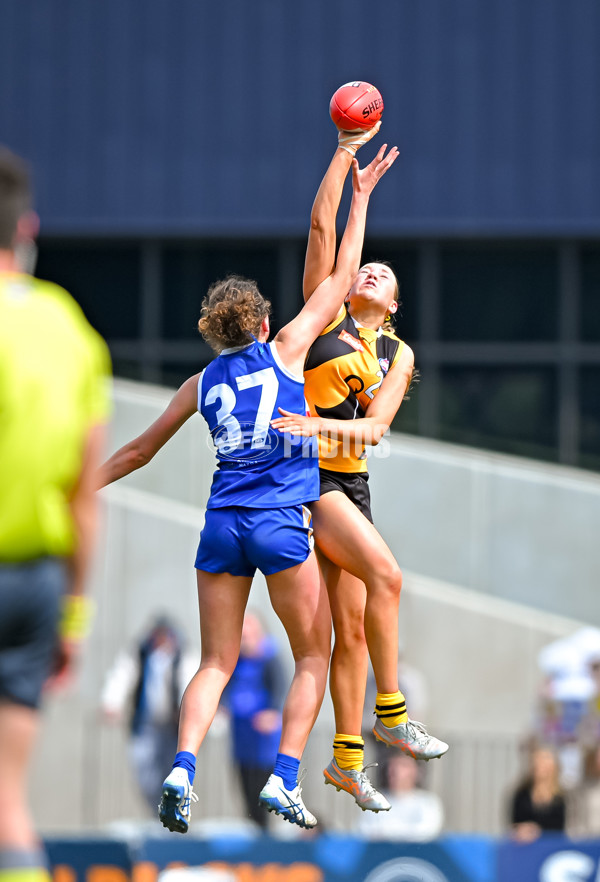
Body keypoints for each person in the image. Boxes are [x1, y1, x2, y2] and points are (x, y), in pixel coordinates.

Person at [97, 140, 399, 833]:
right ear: (263, 323)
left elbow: (139, 451)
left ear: (215, 334)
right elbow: (343, 272)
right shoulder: (287, 348)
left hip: (220, 525)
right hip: (279, 521)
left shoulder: (200, 382)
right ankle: (285, 778)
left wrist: (83, 486)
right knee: (313, 654)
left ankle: (183, 766)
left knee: (215, 662)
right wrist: (359, 191)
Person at [270, 125, 448, 813]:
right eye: (364, 269)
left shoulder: (397, 353)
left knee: (350, 633)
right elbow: (323, 227)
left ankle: (347, 763)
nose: (369, 271)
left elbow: (374, 430)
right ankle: (392, 715)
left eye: (384, 274)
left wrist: (316, 425)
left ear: (394, 304)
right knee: (389, 576)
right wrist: (351, 170)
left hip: (350, 480)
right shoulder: (323, 318)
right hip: (306, 479)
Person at [0, 147, 111, 882]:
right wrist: (74, 614)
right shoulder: (70, 330)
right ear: (26, 228)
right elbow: (84, 498)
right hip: (35, 587)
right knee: (7, 797)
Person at [101, 615, 198, 812]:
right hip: (145, 725)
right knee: (144, 774)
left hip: (173, 727)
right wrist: (111, 702)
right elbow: (121, 676)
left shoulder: (183, 655)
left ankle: (173, 810)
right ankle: (158, 813)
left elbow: (191, 681)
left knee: (173, 773)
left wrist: (189, 713)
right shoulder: (140, 652)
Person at [221, 611, 286, 828]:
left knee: (262, 787)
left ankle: (263, 830)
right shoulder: (236, 659)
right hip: (242, 734)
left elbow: (280, 687)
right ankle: (253, 825)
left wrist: (273, 712)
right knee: (244, 784)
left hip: (263, 737)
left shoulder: (270, 657)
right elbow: (226, 688)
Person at [357, 754, 444, 841]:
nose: (395, 770)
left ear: (416, 771)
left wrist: (387, 832)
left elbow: (427, 832)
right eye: (392, 765)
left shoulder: (428, 802)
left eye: (403, 765)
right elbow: (365, 831)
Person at [509, 745, 567, 842]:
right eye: (536, 760)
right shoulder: (521, 795)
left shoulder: (563, 798)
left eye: (544, 760)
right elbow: (514, 825)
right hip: (528, 846)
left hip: (555, 847)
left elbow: (568, 829)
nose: (539, 764)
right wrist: (523, 829)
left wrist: (540, 831)